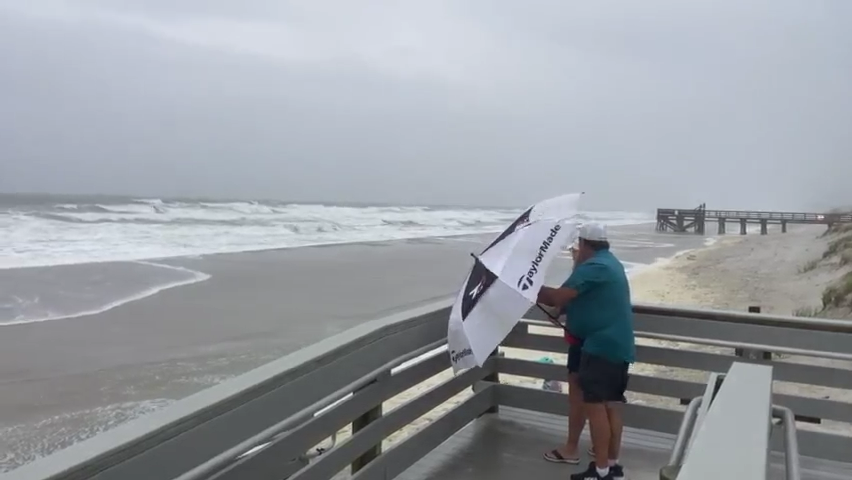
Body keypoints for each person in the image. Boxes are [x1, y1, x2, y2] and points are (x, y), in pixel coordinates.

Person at [537, 222, 635, 480]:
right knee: (611, 405)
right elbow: (577, 298)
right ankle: (611, 466)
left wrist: (524, 287)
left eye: (578, 245)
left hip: (600, 346)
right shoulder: (608, 262)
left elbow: (556, 297)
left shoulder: (594, 267)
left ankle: (601, 471)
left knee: (595, 406)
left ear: (584, 245)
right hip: (615, 345)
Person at [542, 241, 588, 465]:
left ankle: (571, 448)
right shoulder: (595, 271)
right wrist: (558, 311)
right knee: (598, 398)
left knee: (579, 397)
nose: (573, 255)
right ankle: (604, 448)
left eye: (576, 251)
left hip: (584, 343)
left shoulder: (584, 273)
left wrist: (527, 288)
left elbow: (558, 298)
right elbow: (568, 302)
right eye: (572, 251)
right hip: (589, 342)